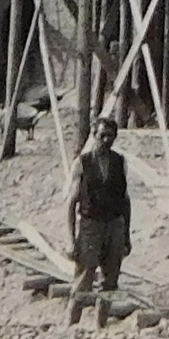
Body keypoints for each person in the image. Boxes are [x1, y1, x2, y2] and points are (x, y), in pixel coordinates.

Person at [67, 116, 131, 318]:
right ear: (94, 136)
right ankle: (72, 322)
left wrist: (127, 235)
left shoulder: (120, 162)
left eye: (110, 136)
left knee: (111, 279)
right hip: (90, 226)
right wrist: (71, 240)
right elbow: (71, 203)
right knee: (84, 276)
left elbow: (125, 201)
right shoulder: (83, 163)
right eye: (102, 135)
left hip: (114, 225)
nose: (106, 140)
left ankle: (101, 323)